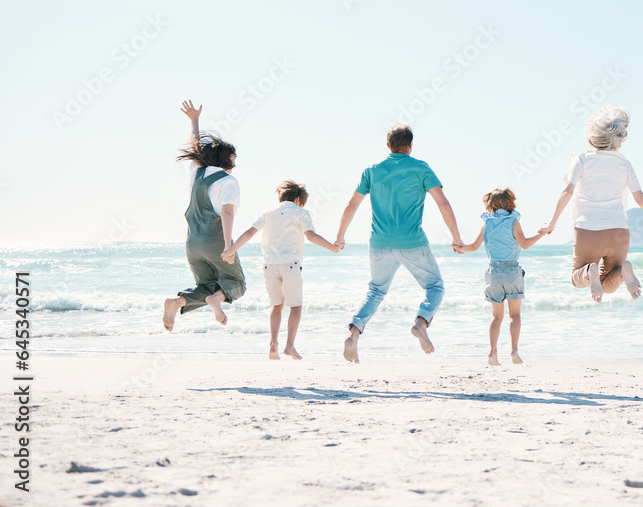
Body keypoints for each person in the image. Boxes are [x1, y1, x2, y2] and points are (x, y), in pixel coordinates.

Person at [334, 125, 464, 363]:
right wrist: (456, 237)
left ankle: (353, 334)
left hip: (379, 244)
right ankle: (421, 323)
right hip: (413, 242)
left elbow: (350, 206)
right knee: (435, 287)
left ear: (388, 146)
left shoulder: (372, 170)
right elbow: (443, 204)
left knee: (375, 291)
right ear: (411, 145)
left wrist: (340, 236)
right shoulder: (421, 168)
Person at [539, 105, 643, 303]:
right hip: (618, 233)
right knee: (609, 284)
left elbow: (567, 192)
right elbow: (641, 199)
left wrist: (551, 223)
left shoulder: (581, 158)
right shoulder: (624, 163)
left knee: (577, 279)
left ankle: (590, 271)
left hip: (588, 231)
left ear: (592, 133)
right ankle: (625, 270)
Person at [222, 181, 342, 360]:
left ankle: (273, 345)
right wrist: (332, 247)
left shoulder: (268, 212)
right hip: (290, 265)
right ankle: (290, 346)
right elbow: (311, 236)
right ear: (298, 198)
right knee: (296, 306)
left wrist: (230, 250)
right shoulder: (301, 212)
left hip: (269, 265)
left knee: (276, 306)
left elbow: (249, 233)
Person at [162, 100, 246, 331]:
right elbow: (227, 213)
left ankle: (176, 302)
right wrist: (228, 245)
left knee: (207, 285)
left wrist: (194, 120)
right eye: (233, 157)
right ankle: (216, 301)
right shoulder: (229, 181)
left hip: (192, 244)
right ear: (225, 158)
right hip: (215, 241)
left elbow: (196, 146)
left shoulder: (196, 172)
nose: (235, 162)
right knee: (237, 284)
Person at [453, 188, 545, 366]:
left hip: (493, 272)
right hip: (512, 271)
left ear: (491, 204)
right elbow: (525, 244)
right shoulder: (513, 222)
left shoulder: (487, 223)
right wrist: (541, 234)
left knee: (496, 316)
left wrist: (459, 248)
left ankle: (492, 353)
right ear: (510, 203)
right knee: (515, 315)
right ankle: (514, 351)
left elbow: (472, 247)